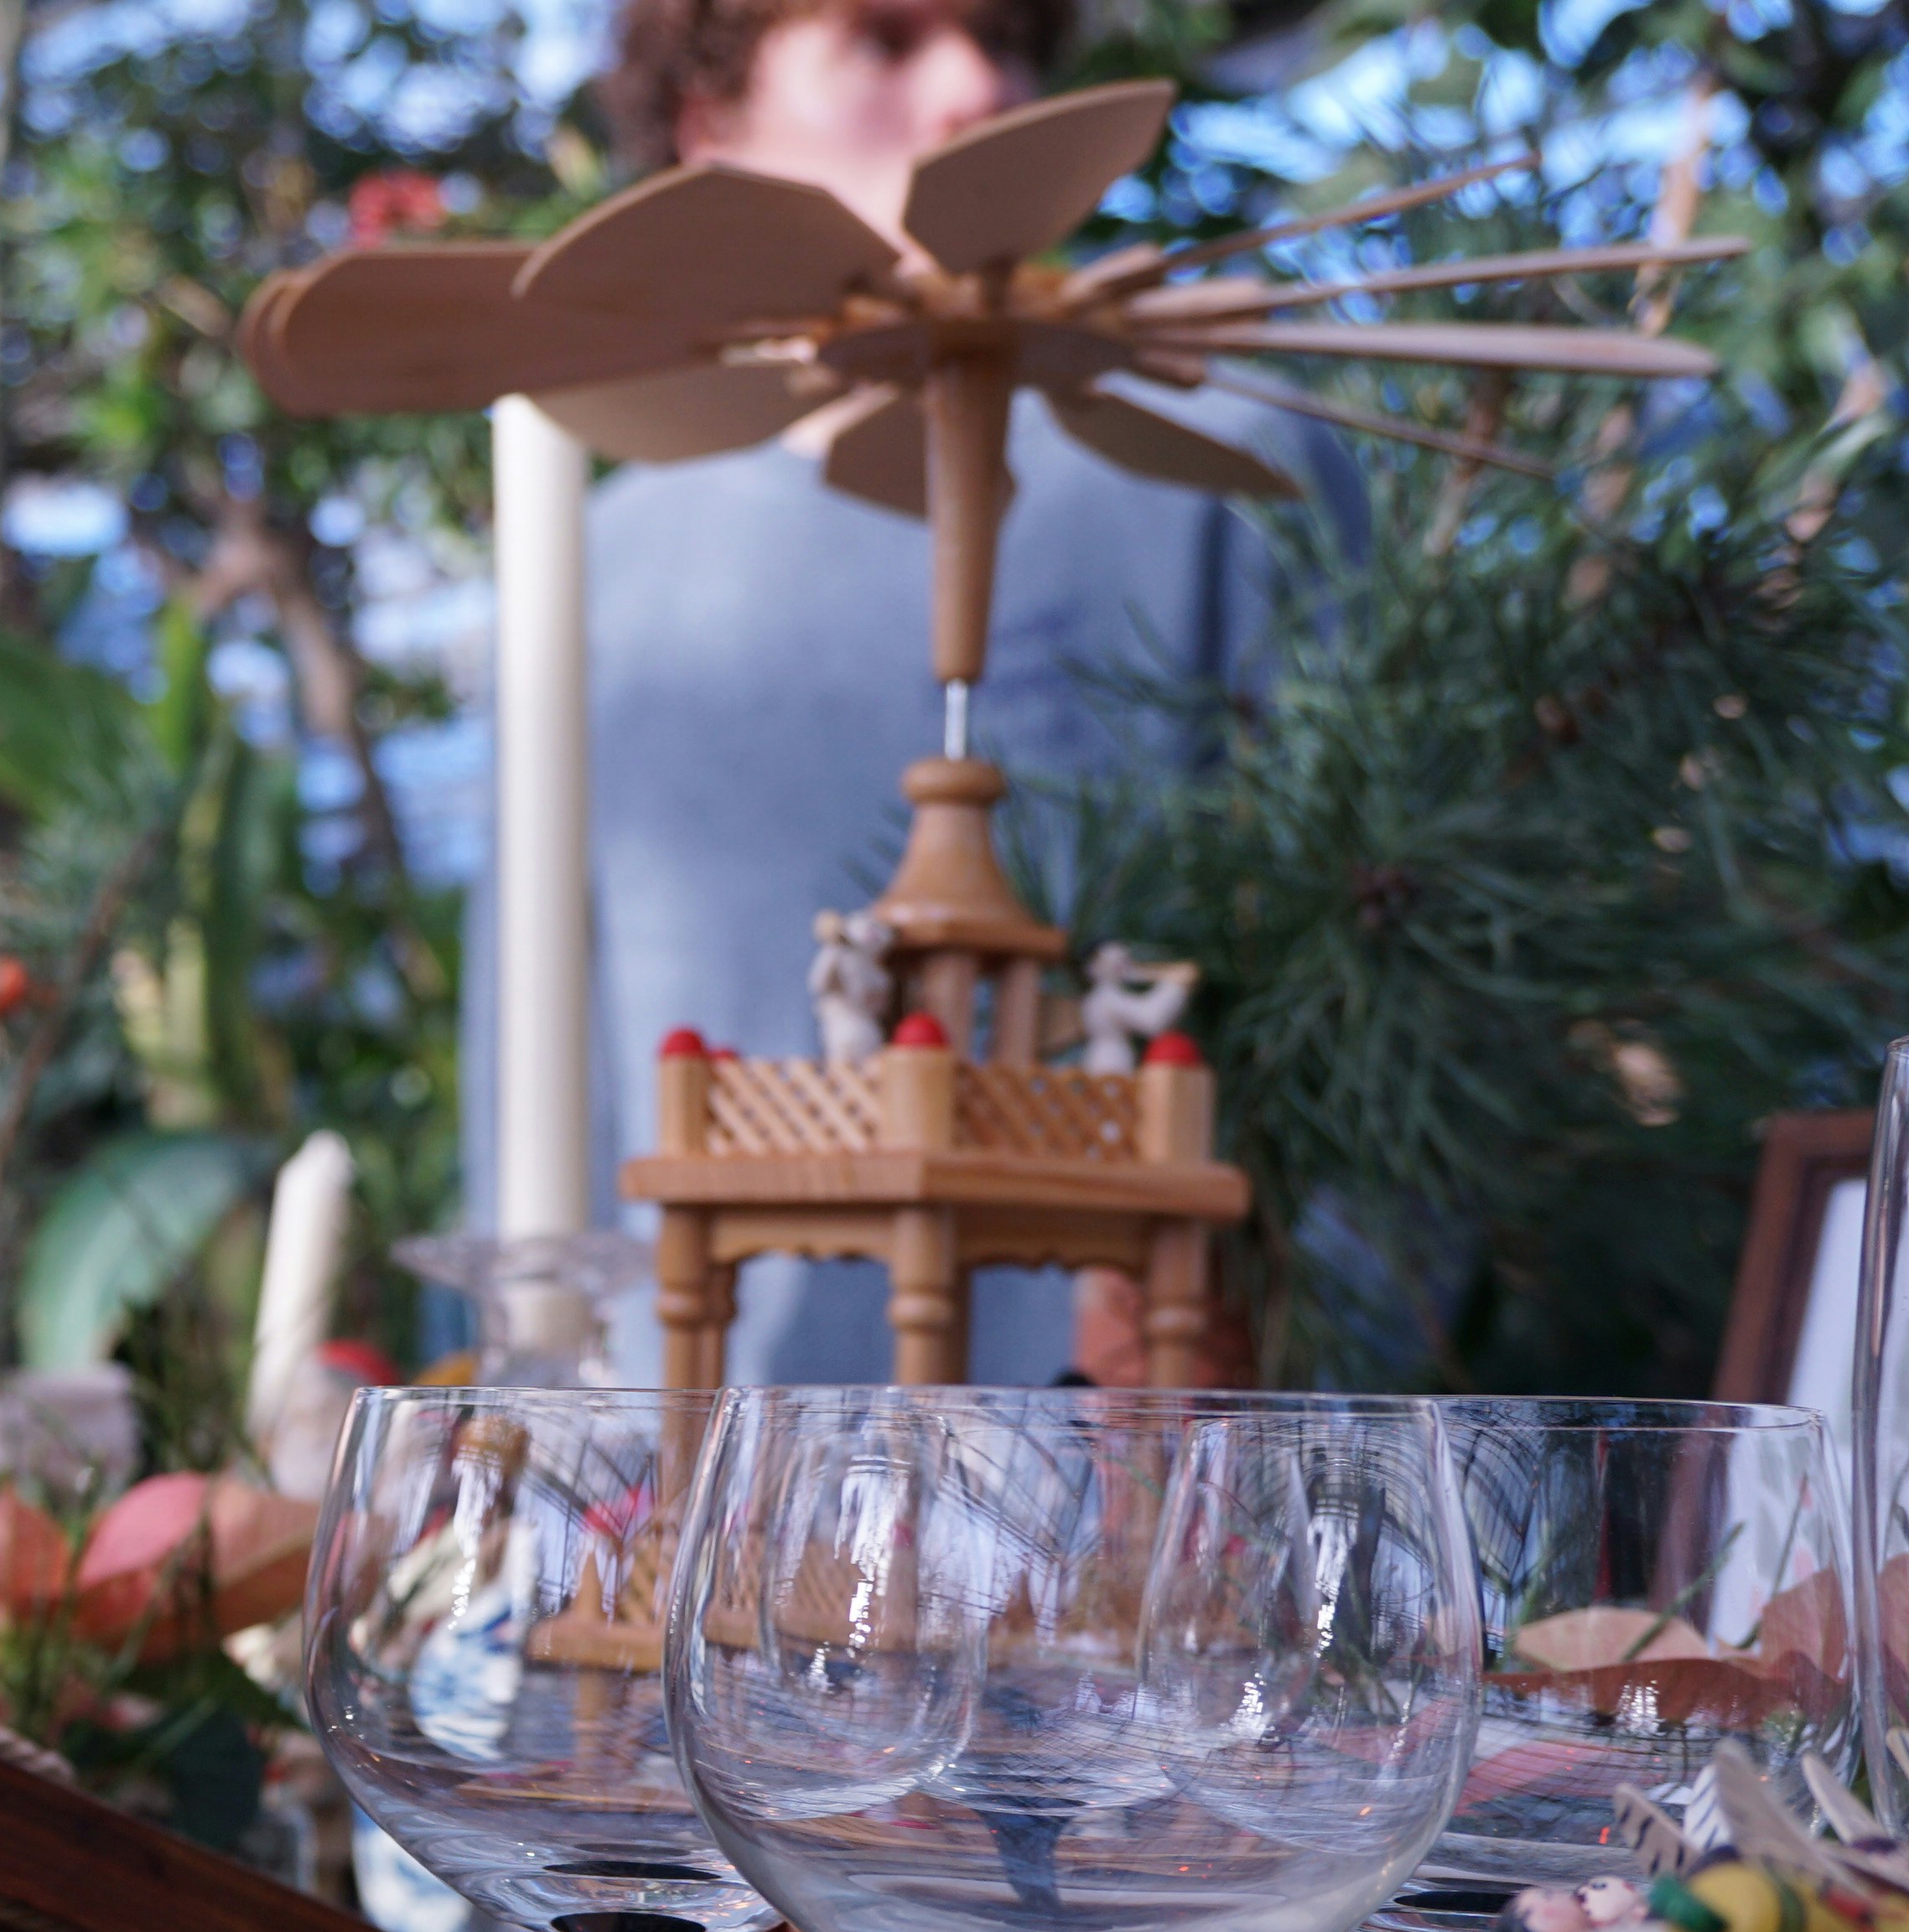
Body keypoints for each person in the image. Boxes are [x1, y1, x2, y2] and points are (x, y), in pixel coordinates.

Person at [554, 0, 1331, 1384]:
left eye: (1011, 38)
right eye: (886, 37)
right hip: (689, 1506)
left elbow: (1386, 1000)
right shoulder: (596, 565)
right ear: (710, 125)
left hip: (1151, 1522)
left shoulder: (1229, 470)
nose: (981, 87)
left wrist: (1329, 1478)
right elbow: (543, 1079)